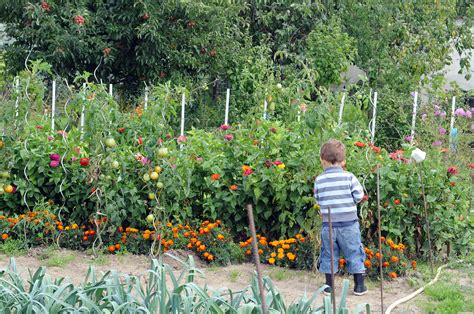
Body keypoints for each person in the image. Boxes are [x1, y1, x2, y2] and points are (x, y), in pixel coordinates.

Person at [313, 139, 368, 296]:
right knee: (354, 252)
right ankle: (359, 286)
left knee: (329, 254)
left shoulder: (319, 179)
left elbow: (318, 199)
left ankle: (329, 286)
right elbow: (359, 196)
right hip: (349, 224)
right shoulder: (349, 177)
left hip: (328, 224)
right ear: (343, 161)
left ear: (322, 160)